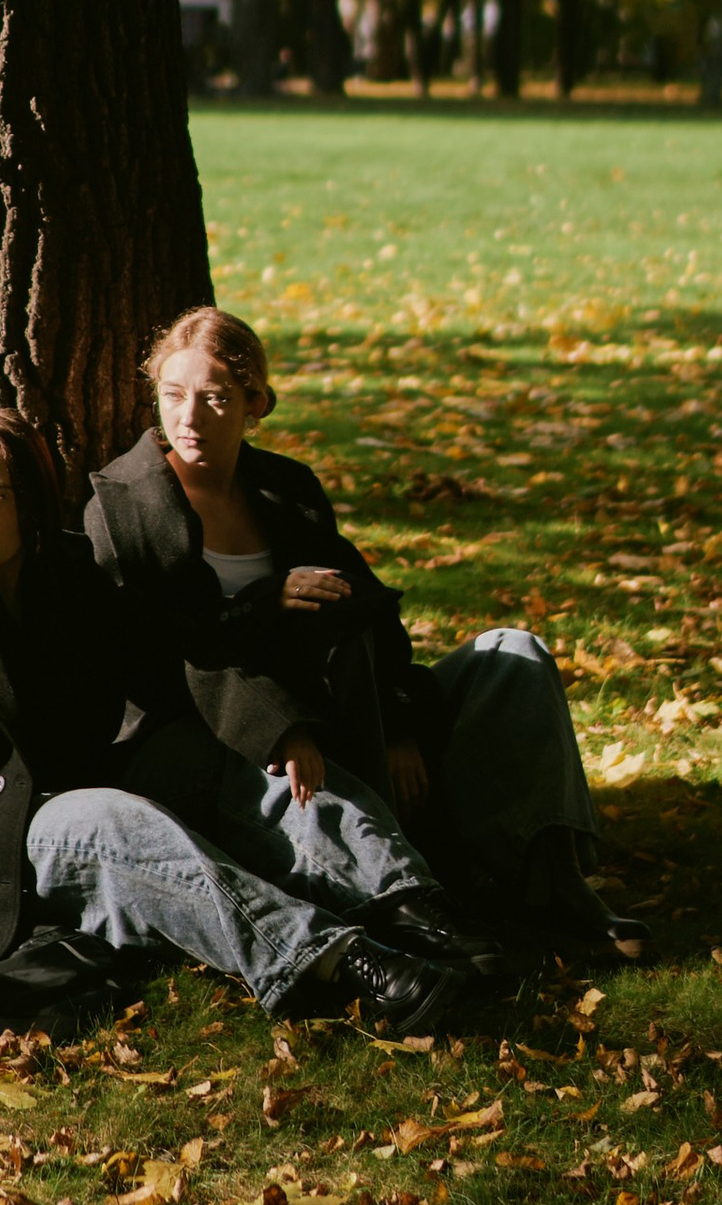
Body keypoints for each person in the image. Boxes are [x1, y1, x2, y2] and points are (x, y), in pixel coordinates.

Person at [0, 402, 479, 1032]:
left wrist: (276, 701)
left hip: (84, 778)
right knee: (112, 822)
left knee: (224, 765)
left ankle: (424, 912)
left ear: (32, 504)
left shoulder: (69, 577)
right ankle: (348, 965)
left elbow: (184, 650)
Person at [85, 305, 635, 976]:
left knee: (513, 655)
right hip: (213, 737)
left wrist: (401, 717)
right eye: (173, 396)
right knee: (296, 771)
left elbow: (364, 606)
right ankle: (413, 906)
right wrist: (280, 698)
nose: (190, 417)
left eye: (214, 397)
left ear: (255, 402)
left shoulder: (285, 487)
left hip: (341, 702)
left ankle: (553, 883)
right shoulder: (126, 504)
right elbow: (171, 653)